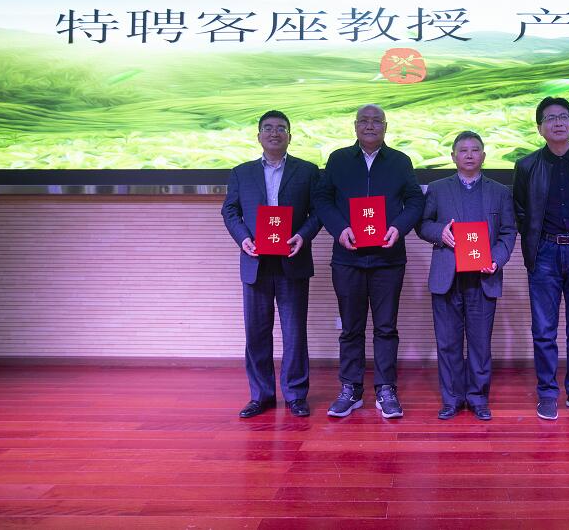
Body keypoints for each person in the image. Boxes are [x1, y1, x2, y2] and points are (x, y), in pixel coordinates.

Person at [313, 104, 425, 419]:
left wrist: (398, 227)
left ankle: (386, 388)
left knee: (386, 327)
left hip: (388, 258)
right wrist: (339, 229)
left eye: (377, 121)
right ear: (355, 126)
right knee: (351, 327)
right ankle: (350, 389)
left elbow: (415, 200)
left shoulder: (400, 161)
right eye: (364, 121)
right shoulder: (338, 159)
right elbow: (322, 198)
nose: (370, 126)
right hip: (347, 257)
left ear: (385, 127)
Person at [221, 110, 322, 418]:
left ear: (290, 136)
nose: (274, 133)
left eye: (281, 128)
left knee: (294, 333)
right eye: (268, 128)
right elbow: (230, 211)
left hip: (292, 259)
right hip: (256, 261)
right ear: (259, 136)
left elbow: (319, 211)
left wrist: (302, 236)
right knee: (256, 333)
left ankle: (295, 395)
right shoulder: (242, 173)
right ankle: (261, 395)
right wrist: (243, 239)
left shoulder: (307, 171)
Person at [512, 97, 569, 421]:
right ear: (540, 128)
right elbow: (521, 211)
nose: (558, 123)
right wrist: (537, 245)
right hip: (545, 253)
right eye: (550, 118)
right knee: (544, 331)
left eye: (564, 116)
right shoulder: (526, 166)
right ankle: (548, 394)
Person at [417, 131, 517, 421]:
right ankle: (451, 399)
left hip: (483, 278)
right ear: (453, 157)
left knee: (480, 344)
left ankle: (477, 398)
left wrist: (497, 259)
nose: (469, 155)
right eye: (463, 150)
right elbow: (422, 224)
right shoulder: (437, 189)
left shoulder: (500, 191)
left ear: (484, 156)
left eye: (475, 150)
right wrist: (440, 233)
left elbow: (509, 231)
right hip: (447, 277)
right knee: (447, 343)